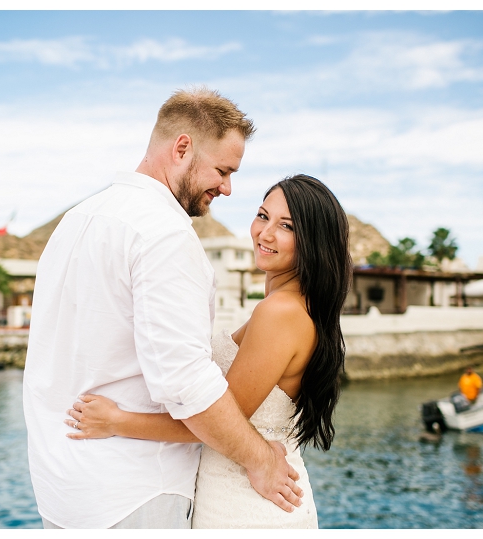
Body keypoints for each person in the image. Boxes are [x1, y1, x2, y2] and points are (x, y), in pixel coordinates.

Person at [22, 87, 303, 530]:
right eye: (223, 170)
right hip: (134, 492)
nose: (227, 188)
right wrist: (260, 460)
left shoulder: (76, 220)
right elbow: (186, 381)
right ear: (183, 148)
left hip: (62, 489)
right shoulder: (164, 234)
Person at [66, 174, 353, 528]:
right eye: (263, 216)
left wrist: (116, 421)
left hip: (248, 509)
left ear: (313, 241)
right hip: (243, 495)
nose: (265, 234)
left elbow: (219, 422)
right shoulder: (292, 307)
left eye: (286, 226)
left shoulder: (280, 314)